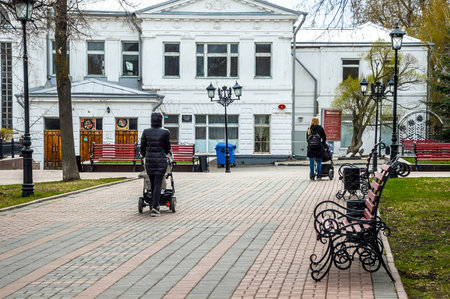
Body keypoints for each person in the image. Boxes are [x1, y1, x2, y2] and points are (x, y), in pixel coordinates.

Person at [140, 112, 171, 217]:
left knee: (153, 184)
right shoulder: (165, 132)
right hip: (160, 161)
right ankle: (155, 207)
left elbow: (142, 148)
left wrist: (146, 155)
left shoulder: (146, 132)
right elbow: (167, 148)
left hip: (149, 161)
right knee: (158, 183)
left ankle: (154, 205)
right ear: (160, 120)